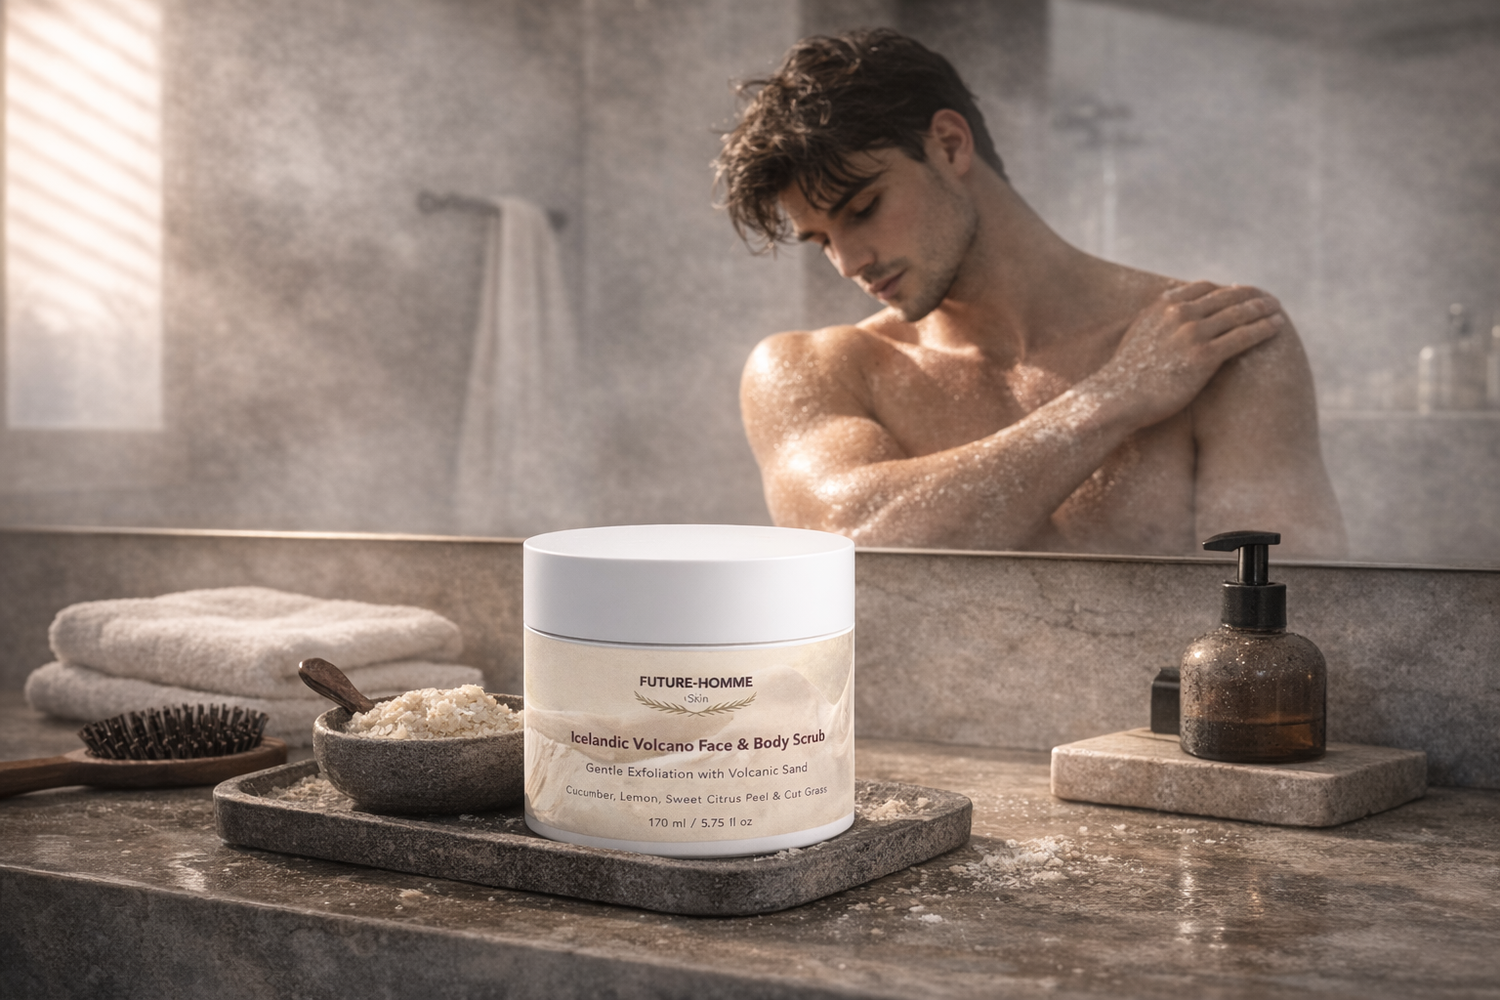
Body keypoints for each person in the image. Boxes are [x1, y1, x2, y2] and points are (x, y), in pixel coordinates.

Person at [715, 29, 1346, 556]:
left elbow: (1288, 613)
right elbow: (850, 550)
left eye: (863, 208)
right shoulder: (816, 371)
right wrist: (1113, 398)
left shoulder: (1218, 342)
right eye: (820, 241)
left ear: (950, 145)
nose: (849, 262)